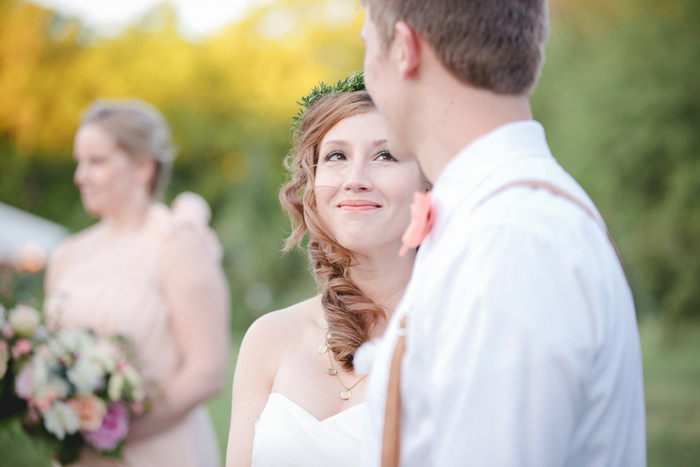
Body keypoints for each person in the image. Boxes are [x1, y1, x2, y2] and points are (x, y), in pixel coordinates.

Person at [358, 0, 647, 465]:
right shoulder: (496, 222)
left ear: (405, 51)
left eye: (368, 48)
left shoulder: (509, 243)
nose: (367, 76)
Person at [225, 75, 428, 467]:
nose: (355, 180)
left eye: (385, 155)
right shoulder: (270, 338)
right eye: (337, 156)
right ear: (313, 183)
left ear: (429, 183)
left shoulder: (460, 333)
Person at [44, 98, 230, 466]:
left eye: (96, 162)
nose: (80, 176)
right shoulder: (67, 253)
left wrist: (111, 431)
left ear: (143, 167)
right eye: (79, 162)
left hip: (159, 451)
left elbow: (207, 372)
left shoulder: (178, 243)